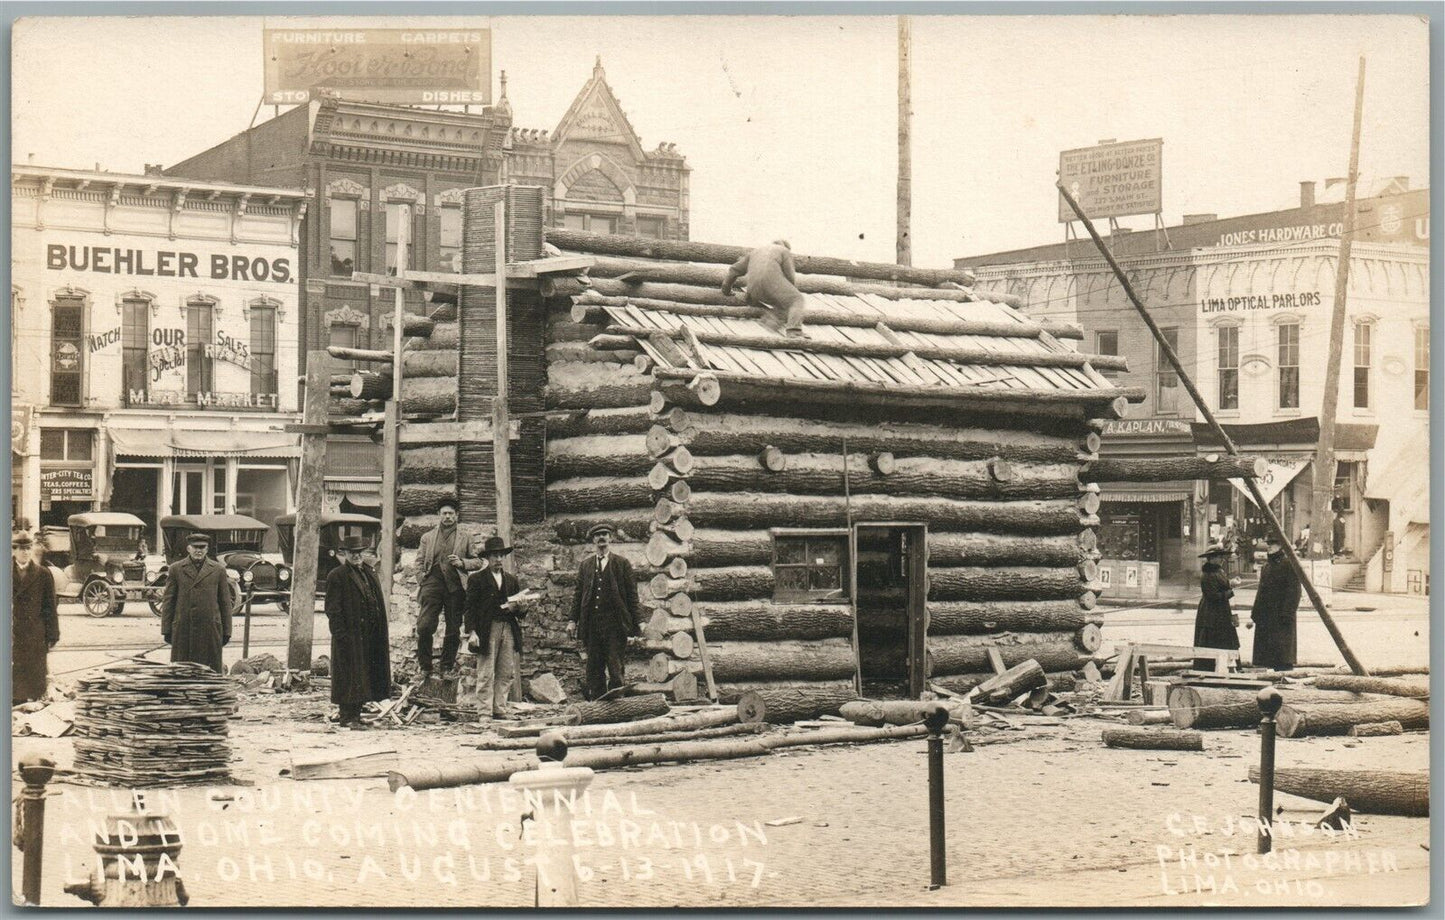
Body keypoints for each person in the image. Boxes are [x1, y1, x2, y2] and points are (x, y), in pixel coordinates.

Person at [324, 535, 392, 729]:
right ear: (344, 554)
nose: (356, 556)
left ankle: (357, 714)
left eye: (360, 552)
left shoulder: (369, 572)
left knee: (363, 674)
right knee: (349, 675)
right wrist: (341, 635)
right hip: (349, 635)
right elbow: (333, 609)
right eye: (352, 553)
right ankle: (347, 717)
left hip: (369, 634)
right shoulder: (337, 575)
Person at [412, 500, 484, 678]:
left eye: (451, 513)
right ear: (439, 514)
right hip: (432, 584)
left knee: (453, 628)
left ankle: (446, 667)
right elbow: (419, 562)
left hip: (455, 586)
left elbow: (478, 561)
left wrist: (462, 563)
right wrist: (422, 579)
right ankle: (425, 667)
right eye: (444, 513)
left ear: (456, 515)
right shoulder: (427, 537)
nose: (448, 517)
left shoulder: (465, 537)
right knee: (424, 626)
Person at [568, 523, 640, 699]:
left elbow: (632, 595)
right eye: (598, 535)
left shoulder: (622, 564)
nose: (601, 538)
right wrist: (572, 621)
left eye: (605, 534)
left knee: (615, 667)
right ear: (593, 540)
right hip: (592, 625)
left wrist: (639, 622)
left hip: (615, 626)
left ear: (611, 538)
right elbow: (578, 595)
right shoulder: (585, 565)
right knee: (594, 667)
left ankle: (617, 706)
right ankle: (598, 706)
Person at [464, 536, 523, 720]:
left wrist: (521, 606)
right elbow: (469, 608)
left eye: (500, 556)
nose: (498, 559)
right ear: (487, 558)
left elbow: (520, 612)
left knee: (506, 671)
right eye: (494, 556)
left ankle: (499, 708)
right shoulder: (477, 579)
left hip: (508, 627)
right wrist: (472, 632)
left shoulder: (511, 580)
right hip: (487, 628)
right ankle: (484, 711)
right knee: (486, 672)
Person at [159, 532, 234, 673]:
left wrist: (227, 631)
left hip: (210, 630)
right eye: (195, 547)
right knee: (183, 672)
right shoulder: (176, 569)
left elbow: (225, 603)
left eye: (202, 547)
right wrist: (167, 630)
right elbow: (169, 601)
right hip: (183, 630)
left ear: (207, 549)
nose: (198, 550)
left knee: (210, 673)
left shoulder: (218, 570)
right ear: (188, 548)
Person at [721, 240, 809, 337]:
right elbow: (790, 277)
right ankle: (794, 331)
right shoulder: (784, 251)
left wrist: (726, 289)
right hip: (771, 283)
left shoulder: (755, 252)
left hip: (753, 290)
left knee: (782, 303)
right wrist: (791, 293)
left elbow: (734, 270)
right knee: (796, 300)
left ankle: (770, 321)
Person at [12, 532, 59, 704]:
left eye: (28, 548)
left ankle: (33, 702)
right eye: (21, 549)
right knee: (14, 674)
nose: (25, 552)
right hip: (12, 633)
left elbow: (50, 608)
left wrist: (53, 634)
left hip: (35, 632)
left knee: (35, 676)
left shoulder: (43, 574)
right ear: (14, 551)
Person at [1250, 536, 1301, 671]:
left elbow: (1294, 591)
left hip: (1281, 614)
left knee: (1282, 653)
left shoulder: (1289, 564)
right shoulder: (1266, 566)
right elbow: (1261, 591)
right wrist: (1255, 612)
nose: (1269, 547)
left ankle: (1283, 675)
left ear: (1281, 546)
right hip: (1267, 615)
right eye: (1269, 544)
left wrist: (1287, 613)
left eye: (1273, 544)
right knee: (1267, 653)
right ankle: (1272, 676)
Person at [1192, 545, 1239, 670]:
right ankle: (1210, 667)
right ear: (1211, 559)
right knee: (1212, 638)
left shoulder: (1219, 571)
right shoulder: (1207, 575)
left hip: (1222, 611)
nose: (1222, 559)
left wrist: (1230, 583)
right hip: (1211, 613)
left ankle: (1229, 666)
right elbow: (1213, 596)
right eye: (1219, 557)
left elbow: (1222, 585)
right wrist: (1231, 590)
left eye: (1222, 556)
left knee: (1225, 638)